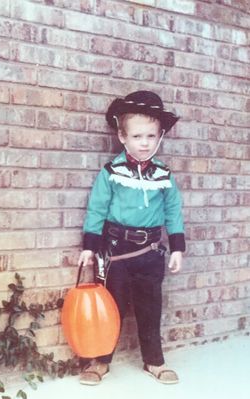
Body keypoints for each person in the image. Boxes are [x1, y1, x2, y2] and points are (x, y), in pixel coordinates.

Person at [77, 90, 185, 386]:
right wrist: (89, 248)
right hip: (117, 253)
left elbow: (174, 210)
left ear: (160, 136)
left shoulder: (164, 174)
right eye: (138, 137)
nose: (145, 143)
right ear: (123, 137)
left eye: (151, 136)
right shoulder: (111, 172)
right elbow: (96, 209)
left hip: (151, 252)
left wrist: (177, 248)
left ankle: (154, 361)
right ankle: (100, 361)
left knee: (151, 307)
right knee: (111, 308)